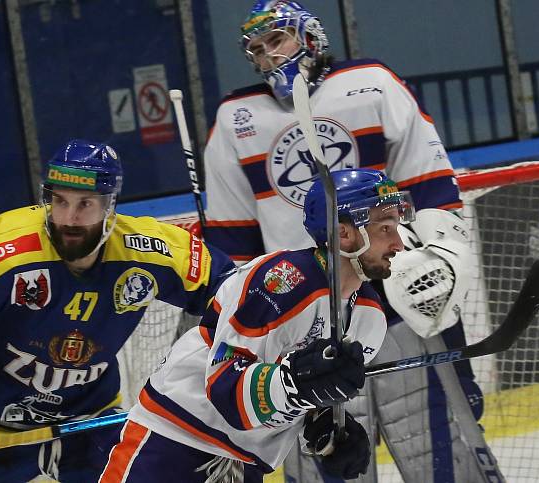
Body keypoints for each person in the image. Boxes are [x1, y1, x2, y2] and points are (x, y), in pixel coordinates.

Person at [202, 1, 487, 481]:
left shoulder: (371, 84)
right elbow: (234, 246)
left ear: (311, 37)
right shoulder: (236, 118)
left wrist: (441, 264)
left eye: (277, 41)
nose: (268, 57)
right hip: (302, 328)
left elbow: (435, 186)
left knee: (441, 453)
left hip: (397, 303)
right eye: (256, 49)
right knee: (329, 461)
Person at [0, 139, 235, 482]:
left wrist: (243, 352)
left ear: (110, 207)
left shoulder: (144, 248)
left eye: (84, 204)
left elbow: (232, 287)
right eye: (60, 201)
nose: (69, 218)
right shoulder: (9, 250)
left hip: (90, 426)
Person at [99, 168, 413, 482]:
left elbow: (300, 398)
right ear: (343, 233)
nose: (398, 243)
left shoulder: (369, 319)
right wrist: (294, 383)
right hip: (173, 443)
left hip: (246, 465)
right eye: (386, 228)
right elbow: (226, 391)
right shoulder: (279, 281)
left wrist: (327, 425)